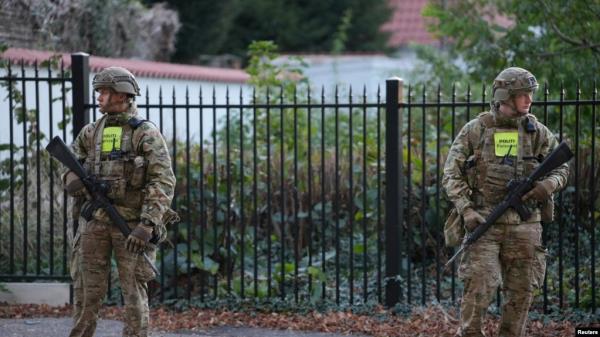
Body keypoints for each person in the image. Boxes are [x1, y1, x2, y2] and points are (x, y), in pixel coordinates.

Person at [442, 67, 569, 337]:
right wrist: (466, 210)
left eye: (530, 94)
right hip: (485, 222)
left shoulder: (537, 132)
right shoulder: (476, 130)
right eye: (522, 94)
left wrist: (548, 184)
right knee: (480, 286)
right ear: (505, 96)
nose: (529, 100)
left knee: (522, 291)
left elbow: (562, 168)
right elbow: (451, 174)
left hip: (525, 225)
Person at [62, 66, 176, 337]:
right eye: (98, 91)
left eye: (105, 91)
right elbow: (69, 164)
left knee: (133, 292)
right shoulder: (90, 132)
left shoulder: (144, 132)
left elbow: (162, 180)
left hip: (132, 226)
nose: (99, 96)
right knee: (86, 291)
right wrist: (71, 181)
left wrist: (147, 225)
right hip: (96, 221)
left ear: (123, 94)